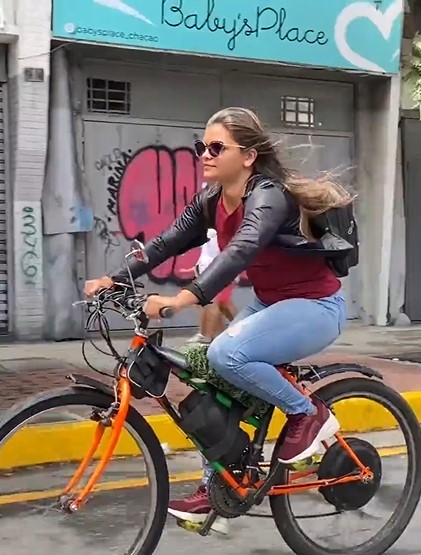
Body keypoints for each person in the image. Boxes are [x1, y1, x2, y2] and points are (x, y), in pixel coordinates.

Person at [83, 106, 353, 534]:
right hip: (272, 305)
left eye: (215, 147)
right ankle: (222, 483)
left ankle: (307, 414)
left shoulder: (269, 196)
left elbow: (240, 251)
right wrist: (114, 280)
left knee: (228, 353)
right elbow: (166, 243)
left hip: (316, 307)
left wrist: (183, 298)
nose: (204, 155)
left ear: (247, 156)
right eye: (201, 147)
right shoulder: (212, 200)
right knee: (207, 370)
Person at [186, 229, 238, 345]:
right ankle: (215, 334)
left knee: (215, 304)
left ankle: (208, 336)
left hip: (220, 270)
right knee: (218, 304)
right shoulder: (210, 226)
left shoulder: (222, 229)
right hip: (209, 269)